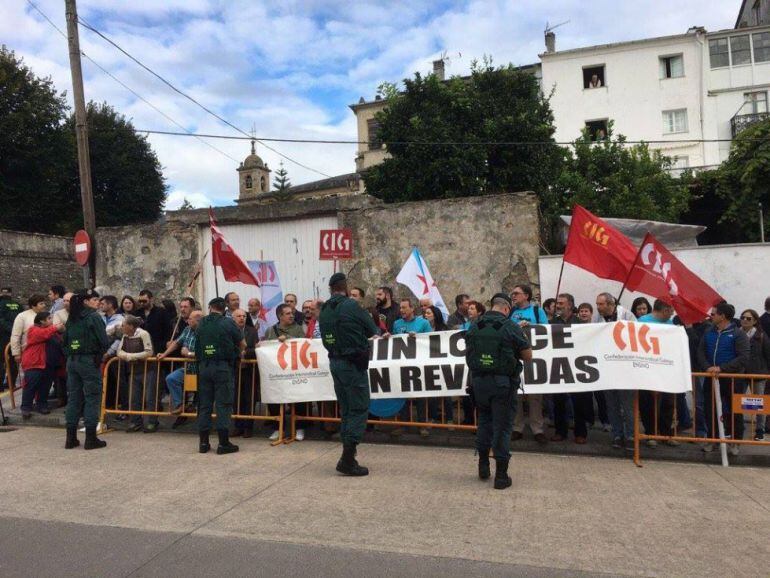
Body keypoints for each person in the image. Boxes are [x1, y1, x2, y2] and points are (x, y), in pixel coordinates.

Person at [465, 293, 532, 490]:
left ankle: (483, 466)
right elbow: (527, 356)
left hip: (479, 382)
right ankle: (501, 476)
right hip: (503, 385)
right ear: (506, 308)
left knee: (484, 422)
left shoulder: (474, 325)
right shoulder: (511, 326)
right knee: (502, 428)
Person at [319, 272, 382, 476]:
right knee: (358, 408)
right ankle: (347, 458)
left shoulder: (325, 309)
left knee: (346, 409)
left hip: (335, 362)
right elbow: (372, 329)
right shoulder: (351, 305)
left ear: (331, 288)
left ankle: (347, 455)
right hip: (352, 364)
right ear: (345, 287)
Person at [697, 302, 750, 455]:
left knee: (734, 410)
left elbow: (743, 357)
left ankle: (735, 441)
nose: (710, 316)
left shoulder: (738, 334)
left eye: (714, 314)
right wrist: (707, 367)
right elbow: (700, 352)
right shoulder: (709, 332)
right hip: (711, 377)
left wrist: (722, 368)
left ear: (723, 316)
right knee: (710, 409)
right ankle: (712, 440)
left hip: (731, 378)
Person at [195, 297, 245, 455]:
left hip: (203, 367)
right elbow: (242, 343)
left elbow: (197, 343)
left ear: (210, 307)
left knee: (204, 405)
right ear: (224, 308)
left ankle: (203, 443)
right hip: (222, 367)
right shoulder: (228, 322)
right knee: (223, 404)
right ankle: (223, 443)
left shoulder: (201, 322)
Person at [63, 289, 110, 450]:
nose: (97, 302)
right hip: (88, 361)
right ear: (85, 302)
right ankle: (91, 438)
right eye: (93, 299)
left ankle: (70, 438)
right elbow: (104, 340)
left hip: (72, 360)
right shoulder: (93, 317)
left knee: (74, 398)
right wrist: (99, 353)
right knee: (92, 397)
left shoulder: (72, 318)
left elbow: (65, 341)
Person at [593, 292, 637, 450]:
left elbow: (635, 334)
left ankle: (631, 435)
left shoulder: (627, 315)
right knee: (611, 405)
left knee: (627, 406)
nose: (598, 307)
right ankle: (617, 434)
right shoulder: (597, 318)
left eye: (601, 304)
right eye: (597, 304)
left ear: (610, 304)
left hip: (625, 368)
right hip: (607, 368)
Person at [550, 293, 593, 444]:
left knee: (579, 401)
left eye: (561, 303)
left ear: (570, 305)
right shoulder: (552, 323)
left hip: (576, 366)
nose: (558, 306)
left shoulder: (579, 323)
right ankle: (560, 431)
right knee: (559, 401)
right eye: (557, 303)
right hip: (558, 365)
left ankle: (580, 432)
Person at [509, 285, 548, 445]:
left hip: (534, 356)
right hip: (515, 357)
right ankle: (517, 427)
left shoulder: (538, 311)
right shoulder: (511, 312)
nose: (513, 295)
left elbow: (547, 330)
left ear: (526, 295)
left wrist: (531, 327)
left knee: (535, 395)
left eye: (516, 293)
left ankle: (537, 428)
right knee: (516, 393)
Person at [637, 300, 679, 447]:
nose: (673, 313)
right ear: (665, 309)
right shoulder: (642, 322)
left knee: (668, 403)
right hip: (648, 368)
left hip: (666, 369)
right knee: (649, 404)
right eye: (671, 310)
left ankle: (666, 433)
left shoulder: (670, 324)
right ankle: (650, 433)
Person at [262, 303, 305, 441]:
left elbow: (303, 345)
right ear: (280, 316)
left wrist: (289, 340)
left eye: (292, 313)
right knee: (275, 400)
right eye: (288, 313)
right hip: (276, 371)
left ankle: (299, 428)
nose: (292, 315)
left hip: (294, 371)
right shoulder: (270, 330)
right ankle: (277, 428)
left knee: (298, 400)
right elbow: (266, 348)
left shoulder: (298, 329)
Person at [393, 298, 435, 436]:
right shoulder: (397, 323)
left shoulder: (423, 323)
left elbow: (431, 340)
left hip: (419, 364)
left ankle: (422, 425)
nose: (402, 310)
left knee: (421, 396)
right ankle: (404, 424)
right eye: (400, 308)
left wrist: (419, 338)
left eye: (404, 308)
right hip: (402, 364)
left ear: (412, 309)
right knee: (402, 394)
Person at [110, 315, 155, 433]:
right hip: (133, 370)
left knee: (150, 397)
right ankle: (135, 421)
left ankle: (152, 422)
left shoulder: (143, 334)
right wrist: (127, 356)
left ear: (130, 326)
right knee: (134, 397)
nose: (121, 327)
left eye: (123, 325)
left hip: (148, 370)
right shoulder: (125, 336)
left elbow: (149, 352)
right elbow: (119, 351)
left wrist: (131, 356)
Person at [158, 310, 203, 416]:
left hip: (202, 370)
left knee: (201, 393)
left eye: (190, 319)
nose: (187, 321)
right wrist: (164, 354)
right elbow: (177, 343)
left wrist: (189, 353)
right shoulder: (187, 329)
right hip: (188, 368)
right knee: (171, 378)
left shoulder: (207, 332)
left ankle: (198, 412)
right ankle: (179, 405)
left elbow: (207, 352)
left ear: (198, 320)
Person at [20, 311, 61, 418]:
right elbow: (43, 335)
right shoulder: (34, 329)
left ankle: (42, 405)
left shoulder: (51, 331)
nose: (51, 320)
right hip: (35, 363)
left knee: (45, 386)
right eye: (49, 318)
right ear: (42, 321)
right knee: (31, 386)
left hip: (48, 364)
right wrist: (55, 328)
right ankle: (26, 407)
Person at [738, 309, 770, 441]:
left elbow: (768, 355)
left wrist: (765, 371)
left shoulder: (761, 336)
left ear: (755, 321)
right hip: (740, 374)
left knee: (759, 404)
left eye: (749, 318)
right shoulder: (736, 334)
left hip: (758, 375)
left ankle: (759, 430)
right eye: (743, 317)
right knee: (738, 401)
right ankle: (738, 428)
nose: (745, 320)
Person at [230, 309, 260, 439]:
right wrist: (238, 354)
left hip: (249, 370)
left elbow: (257, 349)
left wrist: (246, 353)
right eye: (238, 316)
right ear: (233, 318)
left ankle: (248, 427)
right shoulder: (228, 330)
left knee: (249, 398)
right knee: (236, 398)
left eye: (244, 316)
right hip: (234, 369)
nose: (242, 318)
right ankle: (238, 426)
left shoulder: (252, 331)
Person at [136, 289, 173, 366]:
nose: (142, 303)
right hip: (141, 348)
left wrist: (165, 344)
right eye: (140, 301)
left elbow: (168, 329)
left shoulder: (161, 312)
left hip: (158, 348)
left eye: (144, 301)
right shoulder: (137, 313)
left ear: (151, 299)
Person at [10, 294, 47, 365]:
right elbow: (15, 335)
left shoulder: (46, 315)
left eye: (44, 303)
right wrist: (16, 353)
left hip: (44, 351)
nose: (44, 305)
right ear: (33, 305)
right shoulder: (22, 316)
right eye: (41, 304)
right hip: (27, 351)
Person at [0, 287, 22, 390]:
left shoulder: (1, 304)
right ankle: (11, 383)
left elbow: (2, 321)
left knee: (1, 360)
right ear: (10, 294)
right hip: (16, 336)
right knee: (13, 360)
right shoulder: (18, 305)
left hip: (3, 336)